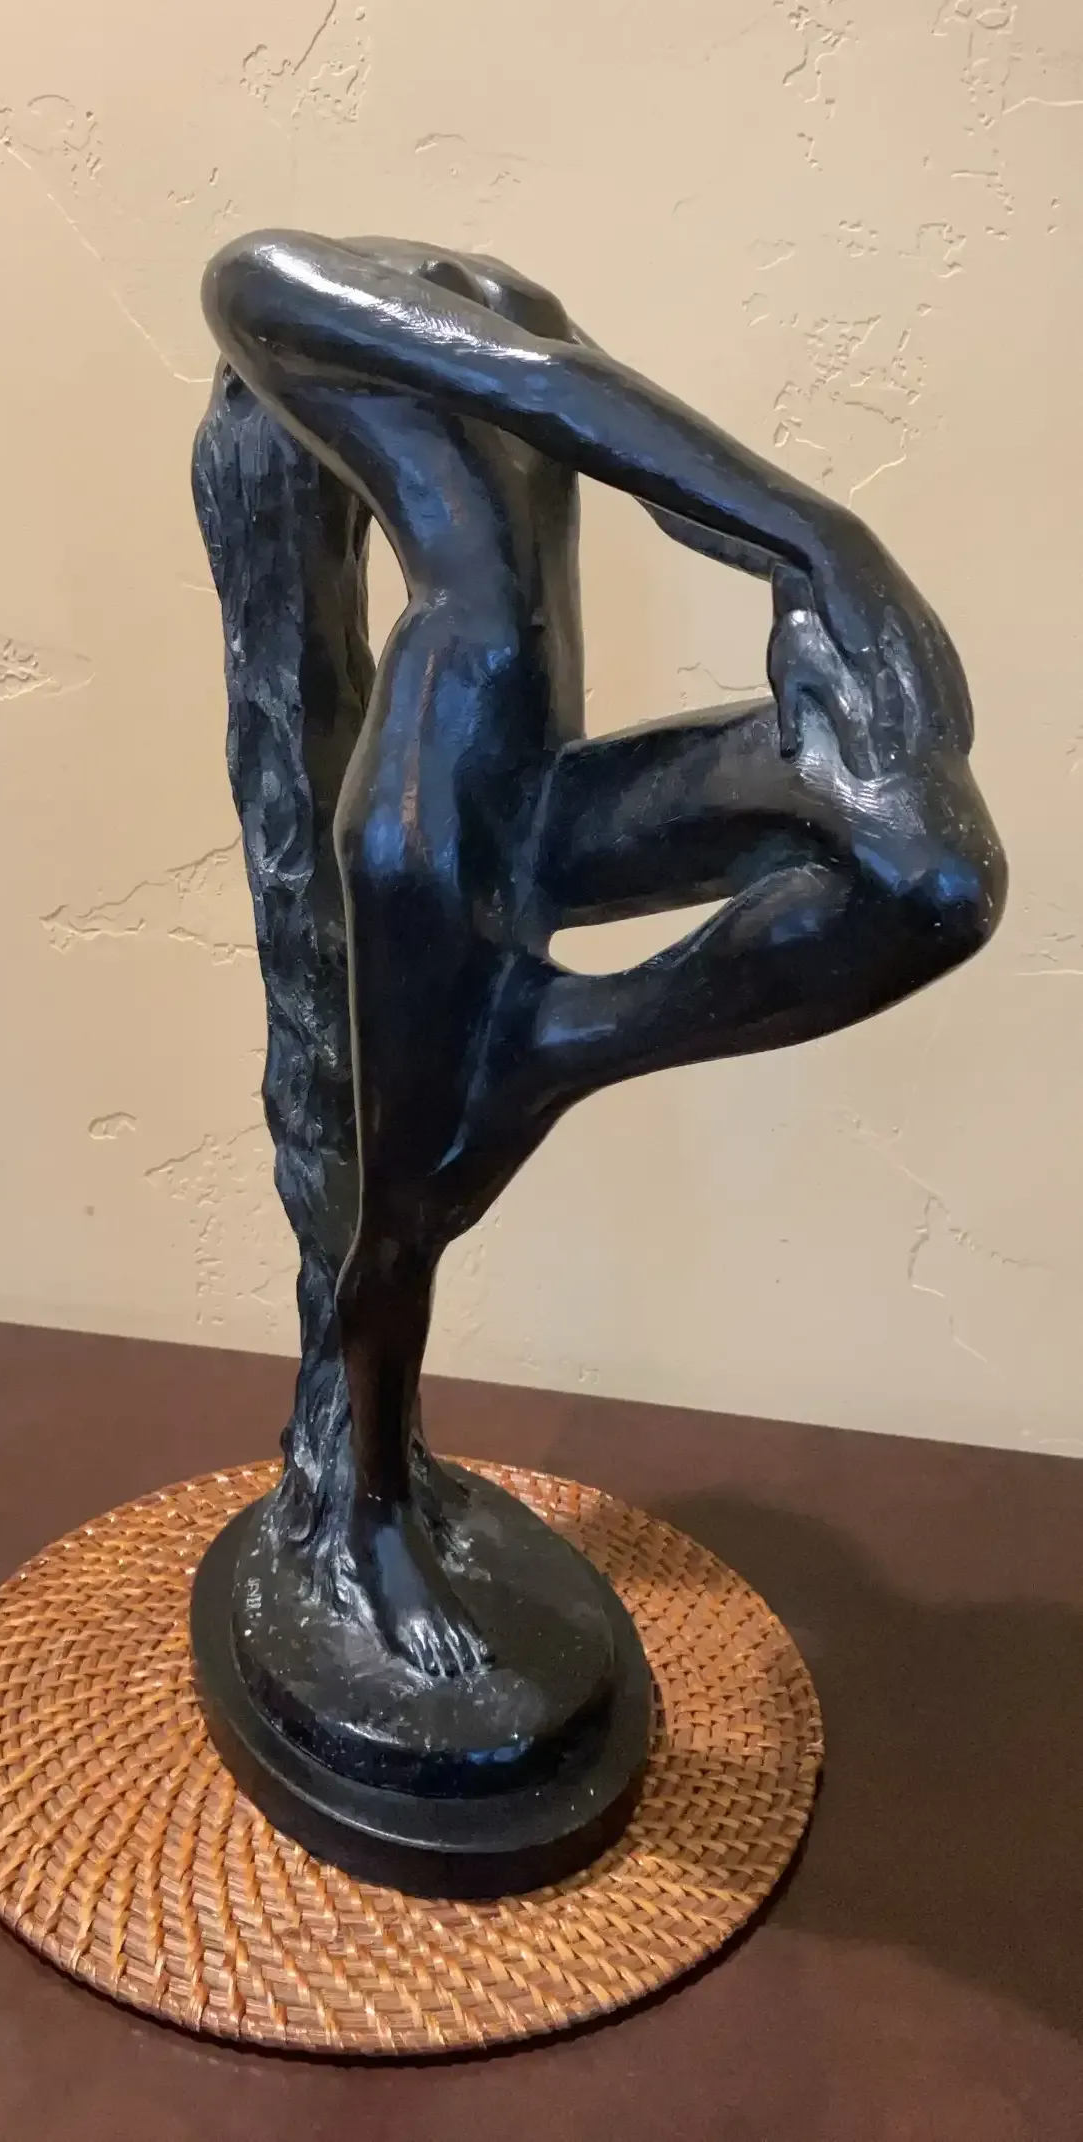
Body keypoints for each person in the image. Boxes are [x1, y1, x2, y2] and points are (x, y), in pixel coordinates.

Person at [200, 233, 1007, 1674]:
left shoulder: (498, 288)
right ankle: (372, 1508)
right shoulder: (263, 280)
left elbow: (593, 414)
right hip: (437, 810)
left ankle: (561, 1045)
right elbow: (539, 386)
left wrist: (826, 583)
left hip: (552, 787)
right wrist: (823, 539)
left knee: (931, 873)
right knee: (405, 1218)